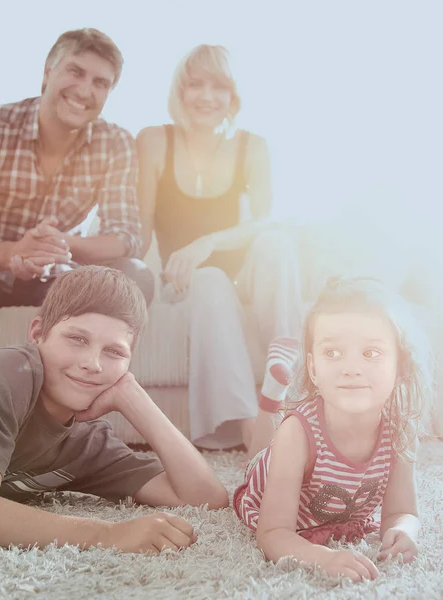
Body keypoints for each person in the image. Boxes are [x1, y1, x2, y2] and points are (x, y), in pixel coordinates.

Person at [0, 265, 228, 553]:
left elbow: (205, 497)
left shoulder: (87, 446)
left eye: (115, 352)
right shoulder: (9, 370)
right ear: (37, 333)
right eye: (77, 339)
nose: (92, 363)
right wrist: (108, 535)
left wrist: (134, 398)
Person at [0, 28, 154, 375]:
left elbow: (125, 238)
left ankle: (70, 395)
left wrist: (60, 245)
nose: (84, 90)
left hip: (56, 286)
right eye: (75, 71)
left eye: (100, 83)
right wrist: (12, 253)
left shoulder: (115, 143)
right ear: (48, 71)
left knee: (134, 275)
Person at [136, 44, 303, 451]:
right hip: (185, 282)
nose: (207, 97)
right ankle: (248, 430)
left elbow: (268, 220)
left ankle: (297, 396)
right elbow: (139, 234)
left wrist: (207, 242)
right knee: (209, 279)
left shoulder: (253, 146)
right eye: (196, 84)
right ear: (180, 89)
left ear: (233, 97)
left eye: (219, 87)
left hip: (244, 276)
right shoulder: (155, 140)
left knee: (276, 244)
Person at [233, 277, 434, 582]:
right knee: (258, 455)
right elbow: (273, 533)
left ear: (401, 365)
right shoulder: (297, 435)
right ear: (313, 369)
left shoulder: (400, 434)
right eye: (333, 353)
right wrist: (320, 558)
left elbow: (402, 512)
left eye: (371, 353)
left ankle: (275, 394)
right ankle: (272, 396)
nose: (351, 368)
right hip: (268, 481)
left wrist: (403, 532)